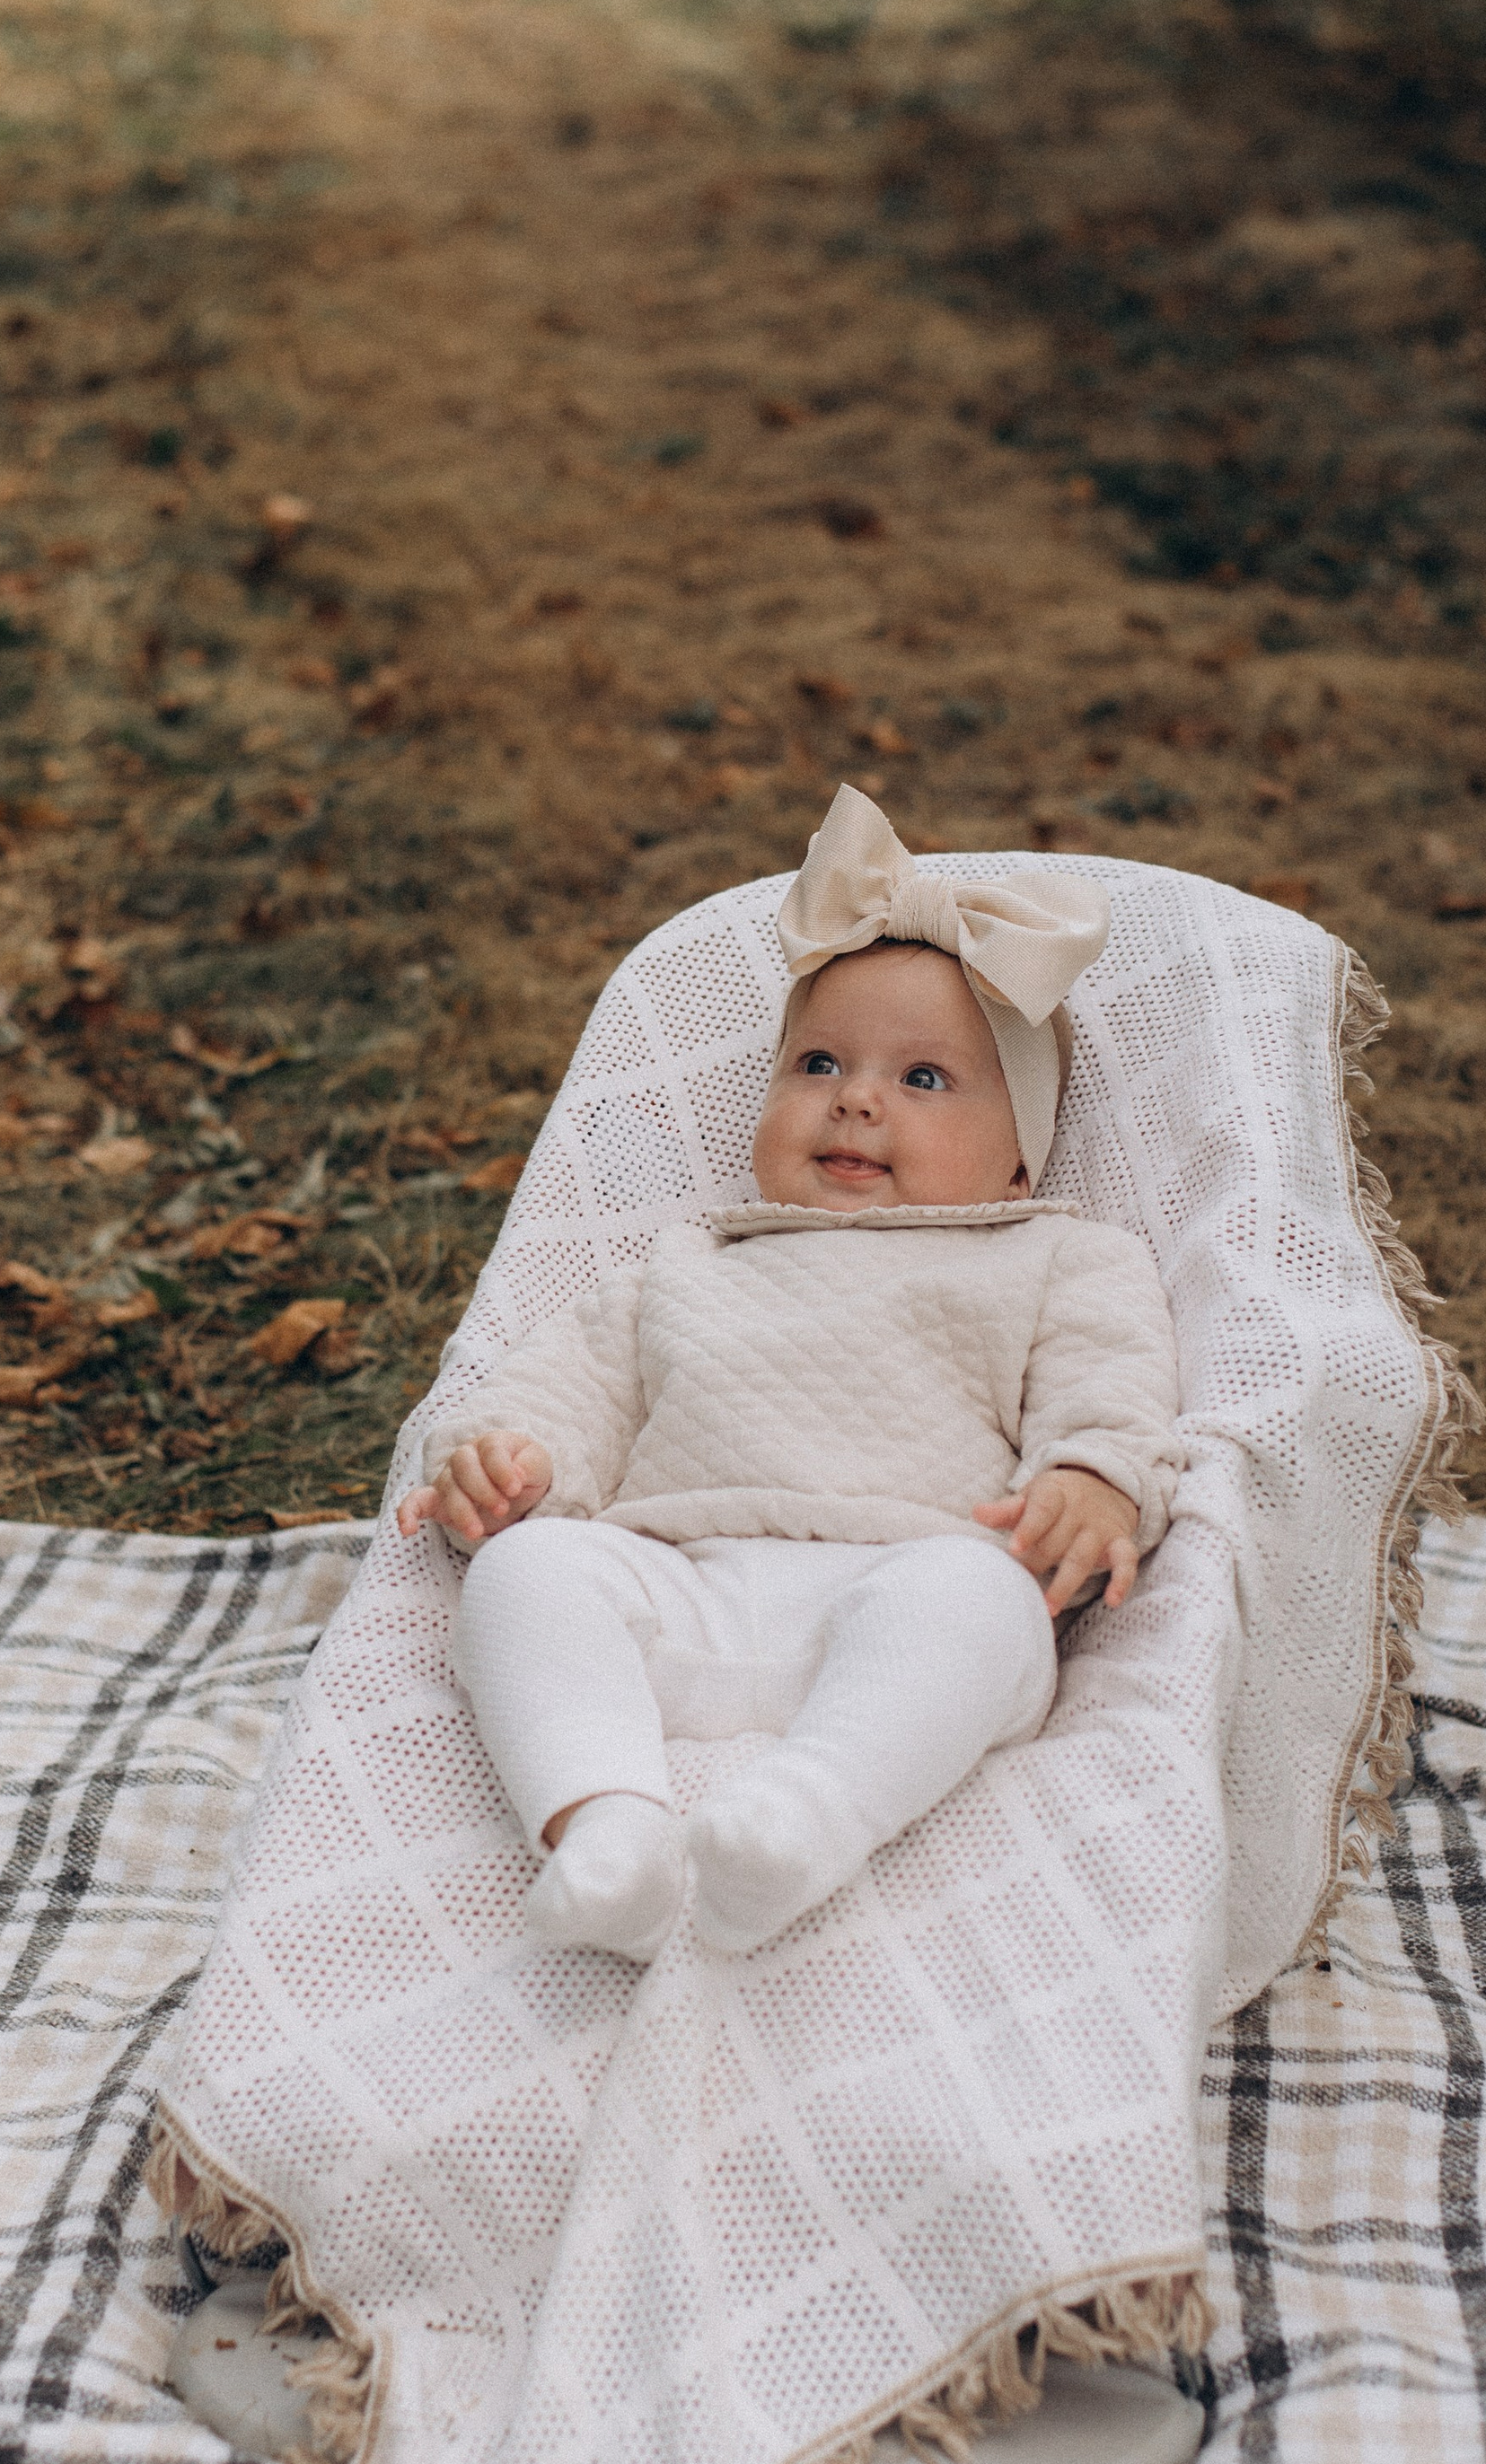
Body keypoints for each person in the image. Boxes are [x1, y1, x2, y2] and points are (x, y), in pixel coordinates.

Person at [397, 786, 1183, 1961]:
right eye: (818, 1063)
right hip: (680, 1591)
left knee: (986, 1608)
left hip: (901, 1587)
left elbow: (1111, 1389)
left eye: (925, 1079)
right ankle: (605, 1828)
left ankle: (799, 1820)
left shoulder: (1054, 1256)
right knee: (524, 1578)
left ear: (1021, 1162)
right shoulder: (689, 1262)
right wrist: (504, 1465)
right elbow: (559, 1391)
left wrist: (1094, 1477)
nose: (856, 1098)